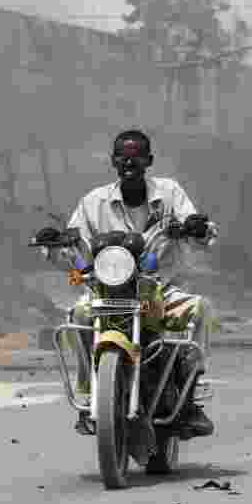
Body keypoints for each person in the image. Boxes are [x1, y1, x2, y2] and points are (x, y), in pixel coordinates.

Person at [63, 129, 218, 438]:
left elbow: (204, 234)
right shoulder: (93, 202)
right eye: (122, 156)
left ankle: (193, 394)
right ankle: (89, 395)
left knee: (200, 309)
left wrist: (197, 228)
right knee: (79, 314)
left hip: (158, 290)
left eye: (136, 157)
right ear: (113, 161)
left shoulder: (170, 193)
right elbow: (72, 241)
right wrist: (57, 244)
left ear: (149, 160)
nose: (129, 162)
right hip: (105, 290)